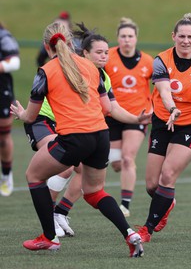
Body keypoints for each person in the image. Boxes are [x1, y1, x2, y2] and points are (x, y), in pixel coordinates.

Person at [10, 21, 143, 257]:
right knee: (94, 192)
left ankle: (49, 237)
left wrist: (20, 114)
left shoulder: (45, 71)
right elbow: (106, 107)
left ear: (45, 45)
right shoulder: (92, 67)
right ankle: (130, 234)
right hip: (101, 135)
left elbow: (31, 116)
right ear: (73, 44)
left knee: (33, 176)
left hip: (74, 137)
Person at [136, 13, 191, 242]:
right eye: (181, 36)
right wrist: (172, 110)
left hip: (190, 125)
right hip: (163, 121)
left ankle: (146, 230)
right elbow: (164, 91)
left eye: (190, 37)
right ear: (174, 36)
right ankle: (167, 202)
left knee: (167, 175)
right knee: (152, 185)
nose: (186, 41)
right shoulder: (161, 60)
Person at [104, 17, 153, 218]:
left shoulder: (148, 62)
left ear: (136, 38)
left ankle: (125, 204)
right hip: (113, 114)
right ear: (118, 38)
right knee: (115, 163)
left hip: (137, 117)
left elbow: (161, 86)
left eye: (130, 36)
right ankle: (122, 171)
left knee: (127, 158)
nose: (126, 40)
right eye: (123, 36)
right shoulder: (107, 57)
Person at [0, 21, 20, 196]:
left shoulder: (3, 36)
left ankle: (6, 174)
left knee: (3, 136)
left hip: (1, 90)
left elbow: (15, 62)